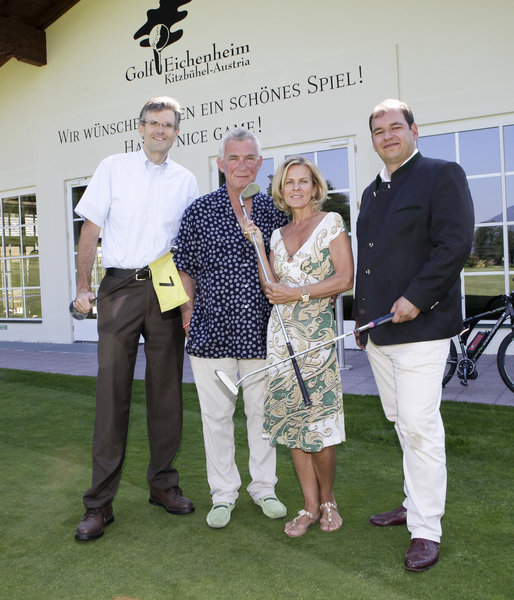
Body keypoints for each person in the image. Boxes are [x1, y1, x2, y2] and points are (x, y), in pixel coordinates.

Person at [354, 99, 474, 570]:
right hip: (379, 333)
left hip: (422, 329)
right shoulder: (371, 192)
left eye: (395, 127)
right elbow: (368, 261)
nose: (387, 136)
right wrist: (362, 319)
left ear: (413, 130)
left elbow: (454, 246)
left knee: (420, 427)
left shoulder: (442, 175)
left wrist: (417, 298)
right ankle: (412, 503)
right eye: (378, 130)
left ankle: (426, 529)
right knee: (402, 422)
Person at [73, 96, 199, 541]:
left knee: (166, 391)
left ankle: (163, 485)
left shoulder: (186, 180)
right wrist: (83, 286)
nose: (160, 130)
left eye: (168, 124)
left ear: (177, 132)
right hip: (120, 282)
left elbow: (188, 247)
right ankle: (99, 504)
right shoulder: (113, 167)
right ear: (140, 128)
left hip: (166, 279)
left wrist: (188, 302)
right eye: (153, 123)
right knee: (113, 393)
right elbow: (90, 228)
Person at [174, 128, 289, 528]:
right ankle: (223, 494)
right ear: (221, 164)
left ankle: (264, 487)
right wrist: (187, 315)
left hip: (261, 332)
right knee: (217, 418)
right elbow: (184, 268)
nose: (242, 166)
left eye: (249, 158)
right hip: (211, 335)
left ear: (260, 163)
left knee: (262, 415)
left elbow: (284, 269)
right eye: (234, 158)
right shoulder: (200, 211)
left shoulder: (275, 212)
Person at [243, 156, 354, 537]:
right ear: (281, 190)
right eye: (289, 182)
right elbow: (271, 288)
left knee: (319, 424)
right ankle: (309, 506)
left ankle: (328, 500)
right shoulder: (277, 235)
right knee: (293, 424)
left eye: (303, 181)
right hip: (281, 340)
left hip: (316, 340)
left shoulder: (331, 223)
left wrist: (298, 293)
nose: (296, 188)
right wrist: (259, 246)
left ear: (315, 187)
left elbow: (345, 278)